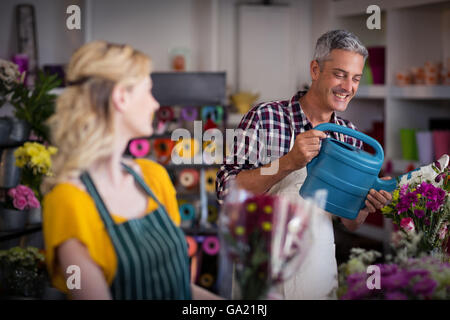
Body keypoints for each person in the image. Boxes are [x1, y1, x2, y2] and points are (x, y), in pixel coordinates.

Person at [216, 30, 392, 299]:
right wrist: (288, 162)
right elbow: (227, 191)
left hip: (317, 269)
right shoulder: (265, 117)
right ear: (315, 69)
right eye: (340, 74)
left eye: (355, 78)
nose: (348, 87)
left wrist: (365, 206)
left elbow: (350, 221)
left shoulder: (348, 134)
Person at [42, 41, 220, 300]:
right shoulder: (70, 202)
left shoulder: (153, 177)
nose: (155, 104)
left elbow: (179, 288)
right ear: (121, 97)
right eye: (148, 91)